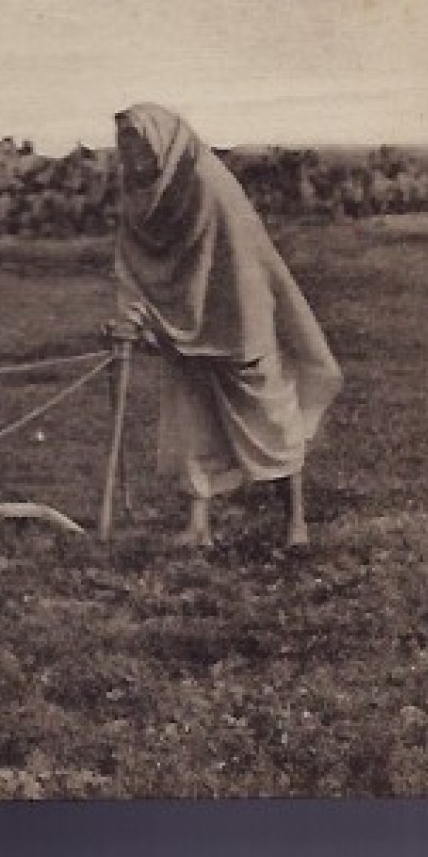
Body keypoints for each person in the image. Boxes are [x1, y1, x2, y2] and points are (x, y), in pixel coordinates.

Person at [111, 103, 343, 547]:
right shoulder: (139, 192)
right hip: (181, 322)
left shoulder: (208, 184)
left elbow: (235, 262)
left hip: (236, 316)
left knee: (270, 416)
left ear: (158, 141)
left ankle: (296, 522)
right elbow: (133, 259)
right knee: (192, 418)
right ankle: (199, 525)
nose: (129, 154)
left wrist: (201, 314)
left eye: (136, 143)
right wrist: (133, 312)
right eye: (123, 144)